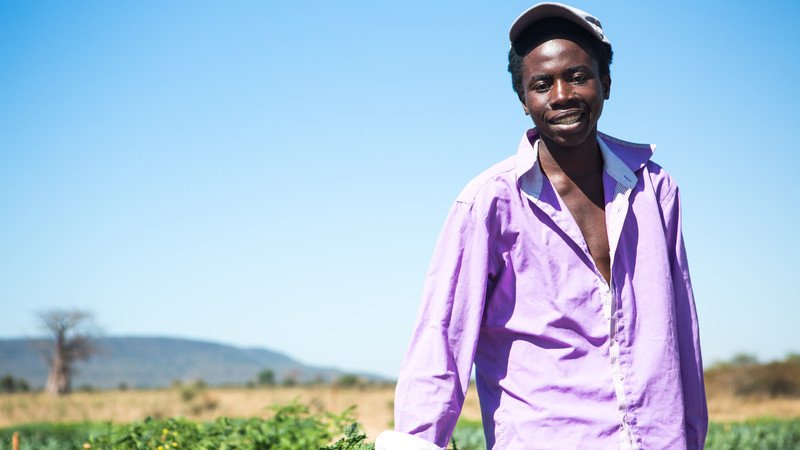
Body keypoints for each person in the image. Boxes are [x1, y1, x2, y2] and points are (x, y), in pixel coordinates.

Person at [376, 3, 707, 449]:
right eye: (541, 84)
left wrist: (690, 436)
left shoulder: (654, 188)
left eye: (577, 76)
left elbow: (680, 330)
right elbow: (442, 337)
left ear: (605, 83)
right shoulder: (489, 202)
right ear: (524, 100)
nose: (561, 96)